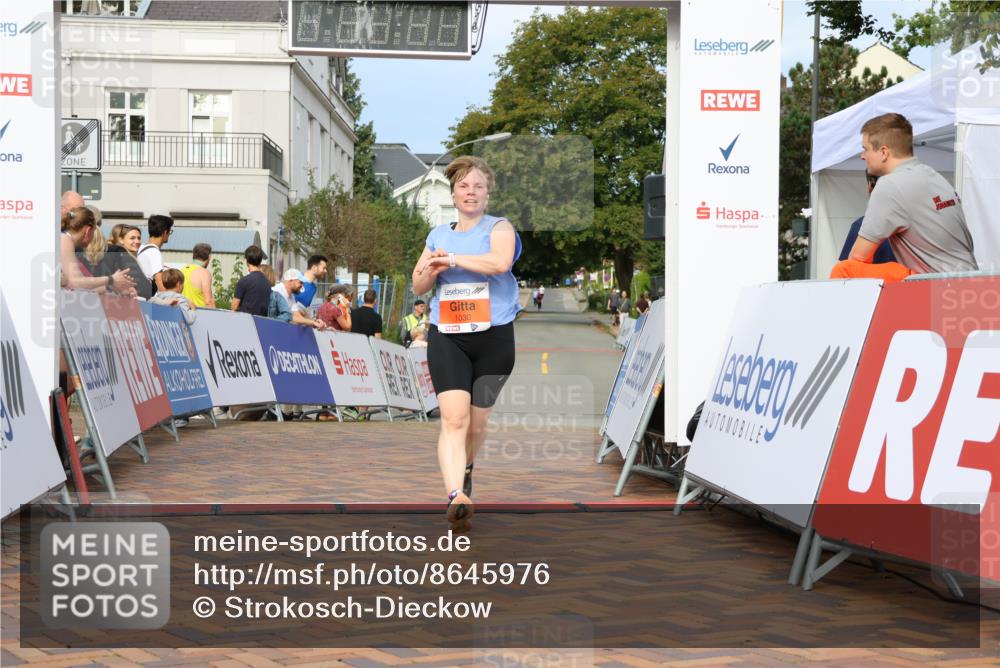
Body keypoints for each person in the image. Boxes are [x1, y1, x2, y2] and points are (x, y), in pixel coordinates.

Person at [411, 155, 522, 532]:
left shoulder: (500, 228)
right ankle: (455, 494)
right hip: (448, 336)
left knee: (475, 426)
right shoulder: (437, 236)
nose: (470, 192)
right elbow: (419, 285)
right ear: (454, 194)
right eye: (463, 186)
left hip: (494, 338)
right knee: (453, 420)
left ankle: (467, 467)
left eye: (477, 186)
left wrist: (454, 259)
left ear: (487, 193)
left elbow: (500, 264)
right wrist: (431, 268)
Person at [830, 113, 978, 281]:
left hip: (937, 288)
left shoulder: (890, 185)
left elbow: (857, 258)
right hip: (971, 281)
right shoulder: (934, 176)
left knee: (845, 270)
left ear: (884, 152)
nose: (862, 156)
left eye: (865, 149)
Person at [59, 207, 134, 293]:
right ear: (88, 231)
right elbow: (75, 282)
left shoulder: (66, 241)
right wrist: (111, 279)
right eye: (94, 231)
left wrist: (113, 287)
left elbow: (82, 285)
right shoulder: (65, 239)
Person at [837, 172, 897, 265]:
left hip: (872, 278)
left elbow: (846, 269)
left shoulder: (860, 225)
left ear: (869, 186)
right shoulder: (914, 223)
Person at [106, 223, 153, 299]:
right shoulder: (124, 258)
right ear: (121, 239)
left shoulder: (112, 254)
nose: (137, 241)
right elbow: (144, 289)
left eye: (139, 238)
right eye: (132, 238)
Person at [136, 214, 174, 292]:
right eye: (170, 232)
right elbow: (159, 281)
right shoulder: (154, 252)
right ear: (165, 232)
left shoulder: (140, 248)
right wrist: (169, 298)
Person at [231, 245, 271, 316]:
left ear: (246, 260)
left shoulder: (244, 280)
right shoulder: (267, 282)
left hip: (245, 321)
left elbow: (234, 307)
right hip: (261, 322)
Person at [180, 243, 216, 308]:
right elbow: (208, 301)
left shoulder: (182, 271)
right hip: (199, 314)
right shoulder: (204, 273)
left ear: (193, 255)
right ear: (209, 256)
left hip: (184, 313)